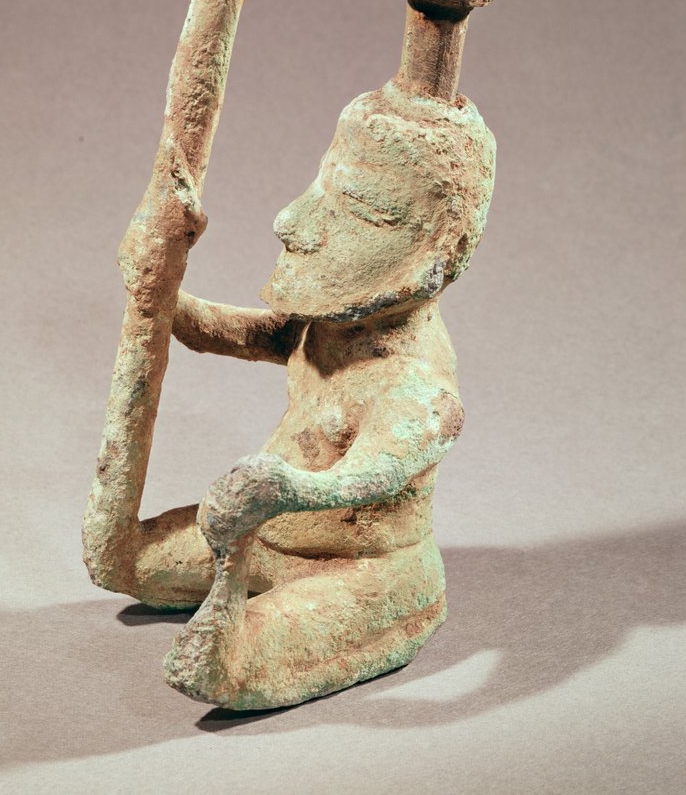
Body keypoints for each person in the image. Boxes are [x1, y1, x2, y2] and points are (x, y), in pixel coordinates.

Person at [99, 79, 495, 709]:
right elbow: (227, 332)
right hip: (264, 537)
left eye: (358, 208)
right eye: (321, 186)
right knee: (117, 557)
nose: (290, 220)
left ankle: (347, 615)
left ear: (435, 254)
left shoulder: (416, 385)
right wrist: (158, 290)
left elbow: (371, 475)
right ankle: (236, 589)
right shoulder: (329, 327)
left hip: (363, 572)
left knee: (227, 663)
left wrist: (283, 488)